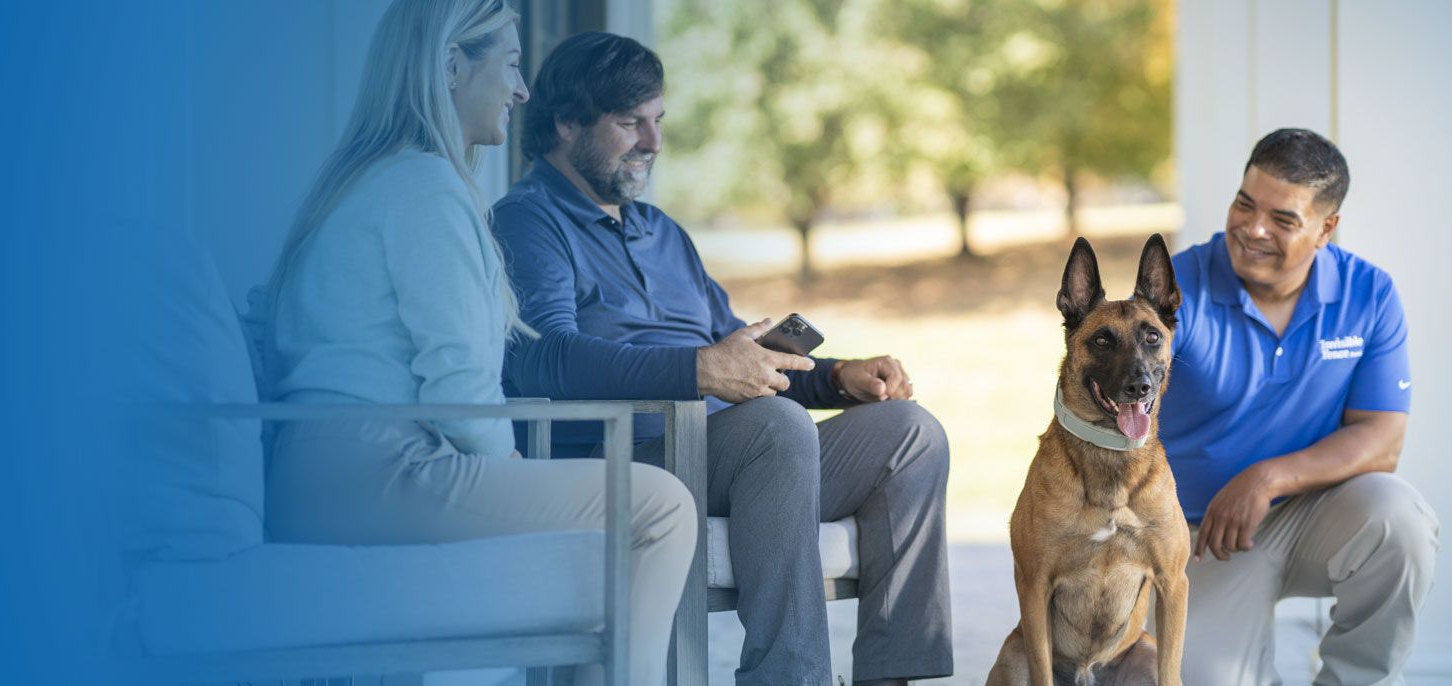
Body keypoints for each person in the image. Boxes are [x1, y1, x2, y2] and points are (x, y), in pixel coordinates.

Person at [493, 32, 952, 686]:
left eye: (658, 120)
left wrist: (837, 377)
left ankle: (890, 679)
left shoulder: (661, 232)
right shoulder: (527, 222)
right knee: (775, 425)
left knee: (911, 431)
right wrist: (697, 371)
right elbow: (543, 358)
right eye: (630, 123)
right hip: (624, 461)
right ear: (567, 123)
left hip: (734, 452)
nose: (653, 141)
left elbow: (737, 355)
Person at [257, 3, 695, 684]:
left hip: (313, 474)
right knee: (662, 505)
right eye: (511, 65)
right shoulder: (426, 187)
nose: (521, 91)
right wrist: (505, 459)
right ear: (452, 66)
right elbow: (459, 381)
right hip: (382, 472)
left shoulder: (365, 179)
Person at [1159, 128, 1439, 685]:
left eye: (1282, 219)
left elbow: (1383, 439)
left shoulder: (1369, 293)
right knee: (1199, 677)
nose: (1253, 229)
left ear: (1325, 228)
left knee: (1400, 518)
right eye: (1245, 204)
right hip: (1198, 533)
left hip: (1312, 516)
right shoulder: (1176, 288)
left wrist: (1267, 478)